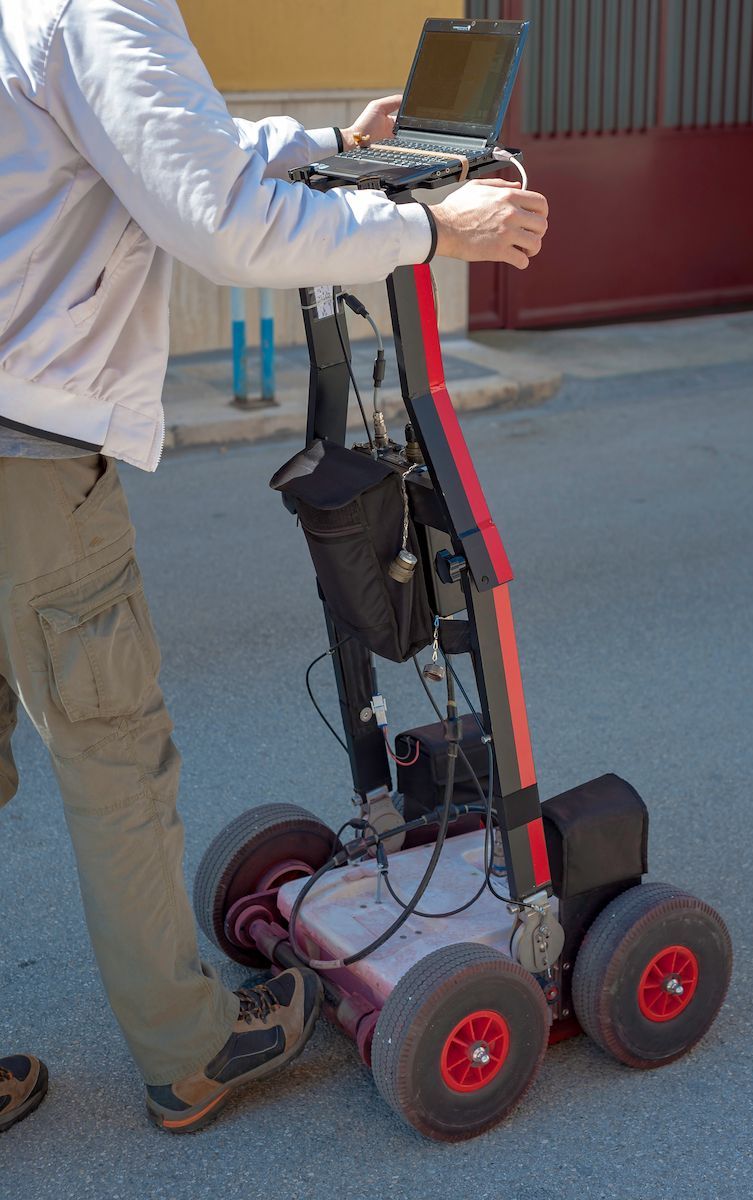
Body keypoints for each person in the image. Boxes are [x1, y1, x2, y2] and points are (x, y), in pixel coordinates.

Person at [0, 0, 549, 1134]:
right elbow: (217, 219)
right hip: (28, 455)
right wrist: (433, 228)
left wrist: (334, 150)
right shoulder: (100, 6)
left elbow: (159, 145)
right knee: (114, 758)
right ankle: (190, 1051)